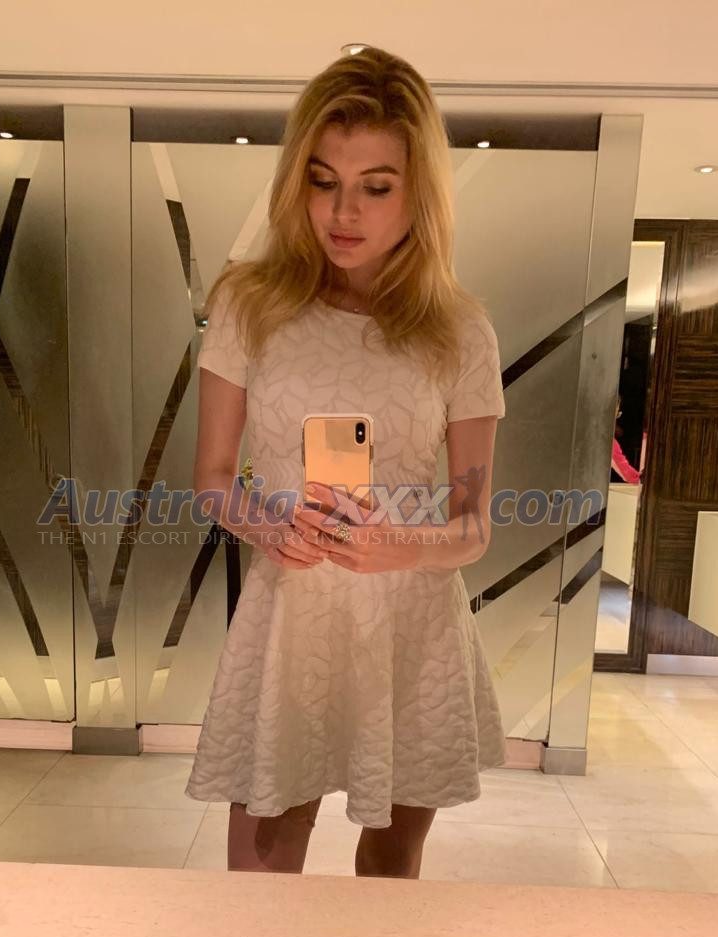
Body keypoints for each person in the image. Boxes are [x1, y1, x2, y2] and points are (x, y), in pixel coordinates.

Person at [185, 46, 508, 880]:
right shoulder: (249, 304)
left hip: (411, 624)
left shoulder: (458, 330)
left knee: (391, 871)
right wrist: (267, 523)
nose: (343, 212)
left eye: (377, 186)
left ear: (418, 192)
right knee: (260, 870)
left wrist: (403, 546)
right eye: (322, 179)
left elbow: (472, 525)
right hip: (289, 615)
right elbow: (212, 478)